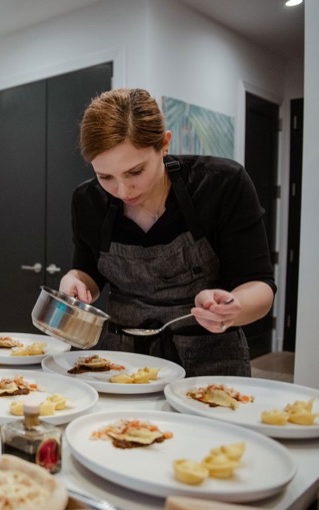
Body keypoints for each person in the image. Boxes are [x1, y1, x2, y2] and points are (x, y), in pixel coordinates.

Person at [59, 88, 274, 377]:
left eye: (135, 172)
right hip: (119, 364)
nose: (122, 191)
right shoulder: (87, 200)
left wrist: (232, 308)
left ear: (164, 143)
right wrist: (74, 280)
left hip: (210, 362)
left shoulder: (221, 185)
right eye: (105, 177)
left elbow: (259, 286)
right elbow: (89, 274)